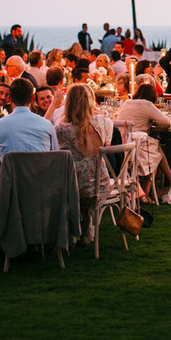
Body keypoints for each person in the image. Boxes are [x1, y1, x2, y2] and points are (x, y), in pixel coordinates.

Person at [55, 84, 113, 242]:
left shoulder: (62, 129)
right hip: (100, 185)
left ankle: (75, 226)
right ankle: (86, 225)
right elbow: (108, 132)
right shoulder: (103, 122)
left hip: (73, 187)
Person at [117, 82, 171, 203]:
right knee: (155, 150)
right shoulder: (146, 105)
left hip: (121, 144)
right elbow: (167, 122)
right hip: (136, 144)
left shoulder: (128, 102)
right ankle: (146, 192)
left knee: (156, 148)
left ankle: (168, 180)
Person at [0, 78, 59, 162]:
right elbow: (55, 155)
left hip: (11, 174)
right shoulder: (47, 125)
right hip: (40, 174)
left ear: (10, 99)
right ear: (33, 99)